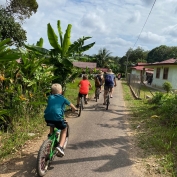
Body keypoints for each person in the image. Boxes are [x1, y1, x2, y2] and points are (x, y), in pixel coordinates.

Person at [44, 83, 77, 156]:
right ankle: (60, 147)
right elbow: (71, 105)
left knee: (52, 121)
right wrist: (74, 109)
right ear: (61, 92)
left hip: (47, 117)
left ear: (52, 92)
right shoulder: (63, 98)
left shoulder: (50, 97)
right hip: (58, 118)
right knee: (64, 129)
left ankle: (50, 136)